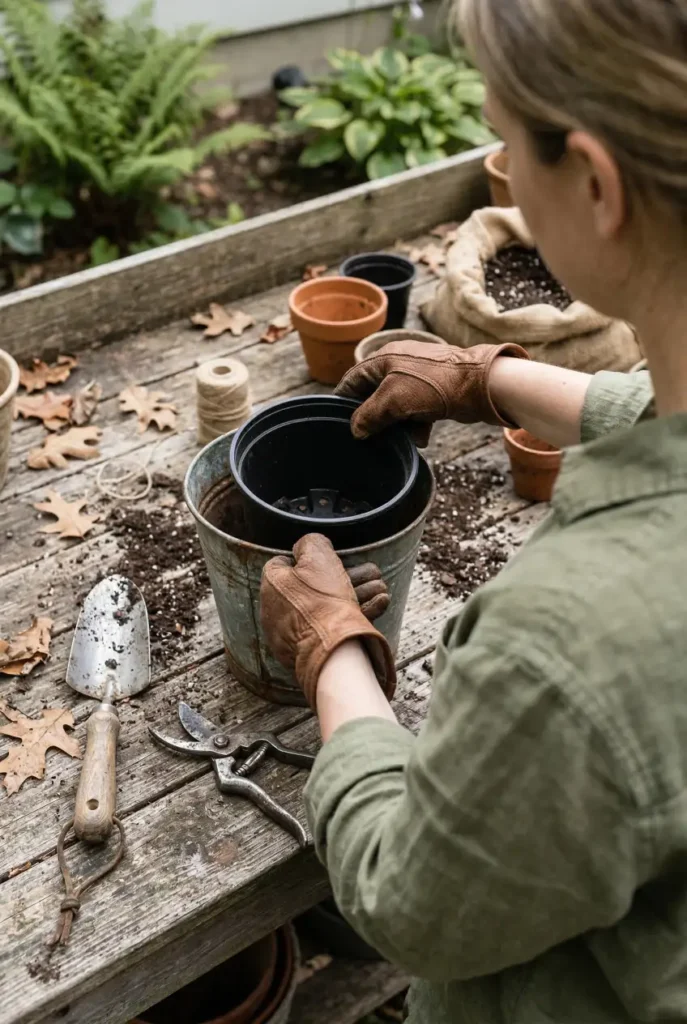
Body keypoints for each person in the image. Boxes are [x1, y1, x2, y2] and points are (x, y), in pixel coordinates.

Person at [260, 0, 687, 1020]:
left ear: (594, 182)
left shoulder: (566, 647)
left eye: (504, 141)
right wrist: (488, 378)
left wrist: (332, 655)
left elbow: (409, 901)